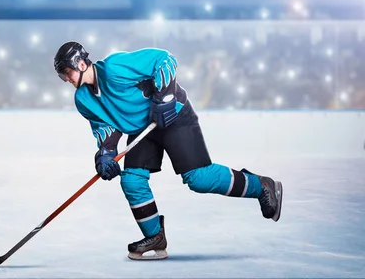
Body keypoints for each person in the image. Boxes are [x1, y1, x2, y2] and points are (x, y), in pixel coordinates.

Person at [53, 41, 283, 261]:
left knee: (199, 178)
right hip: (142, 129)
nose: (65, 79)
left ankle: (260, 186)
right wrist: (105, 154)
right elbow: (104, 127)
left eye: (67, 72)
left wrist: (165, 98)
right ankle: (155, 237)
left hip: (173, 116)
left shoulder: (114, 68)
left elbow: (164, 59)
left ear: (81, 64)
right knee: (131, 181)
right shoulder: (83, 99)